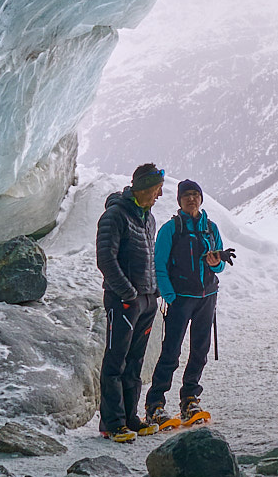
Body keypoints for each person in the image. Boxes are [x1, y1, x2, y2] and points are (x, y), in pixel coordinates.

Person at [144, 179, 235, 429]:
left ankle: (189, 400)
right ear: (180, 201)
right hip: (181, 299)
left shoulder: (210, 228)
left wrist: (214, 262)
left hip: (207, 298)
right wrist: (170, 296)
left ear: (201, 199)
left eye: (195, 195)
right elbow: (159, 264)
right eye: (186, 196)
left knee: (199, 351)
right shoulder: (170, 229)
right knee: (171, 352)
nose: (191, 199)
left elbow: (219, 266)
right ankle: (155, 405)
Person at [96, 163, 165, 442]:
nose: (159, 196)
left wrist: (153, 292)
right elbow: (106, 260)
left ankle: (130, 418)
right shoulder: (115, 216)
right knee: (116, 360)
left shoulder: (148, 218)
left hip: (146, 301)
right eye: (157, 190)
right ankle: (112, 423)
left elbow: (150, 258)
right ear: (143, 188)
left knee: (135, 361)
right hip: (123, 302)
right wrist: (127, 293)